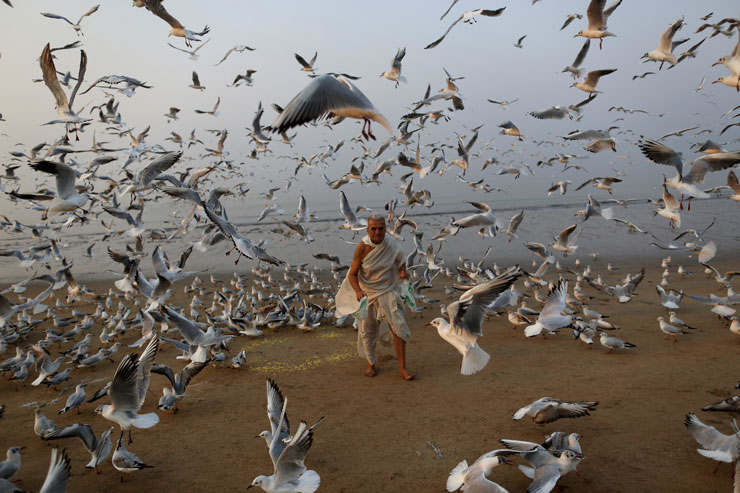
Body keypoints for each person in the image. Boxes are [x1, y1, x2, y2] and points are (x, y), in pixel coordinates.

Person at [346, 213, 414, 380]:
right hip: (368, 294)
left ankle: (403, 368)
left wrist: (403, 272)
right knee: (367, 331)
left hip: (387, 291)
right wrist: (357, 291)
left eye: (381, 228)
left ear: (385, 229)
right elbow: (352, 275)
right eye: (373, 229)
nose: (377, 232)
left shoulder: (391, 243)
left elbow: (401, 259)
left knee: (398, 328)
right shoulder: (362, 247)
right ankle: (371, 364)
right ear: (368, 229)